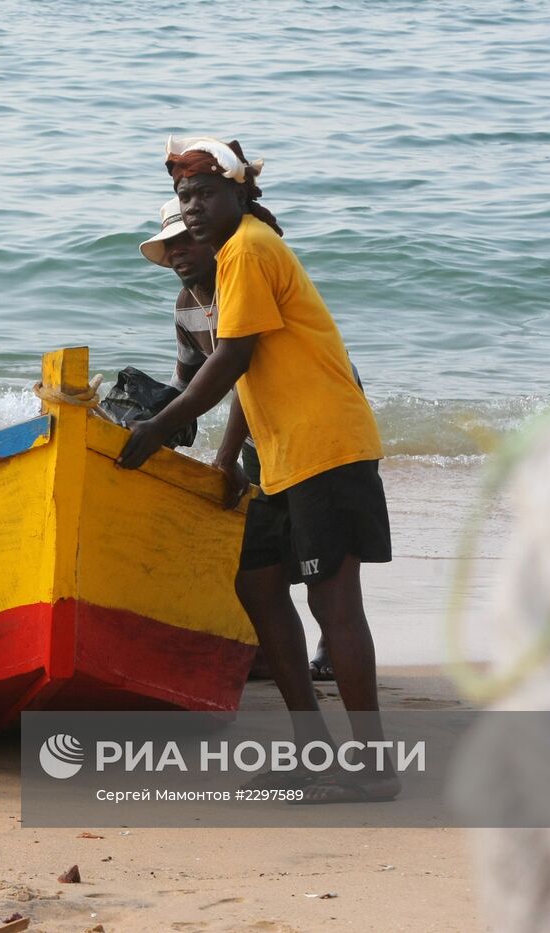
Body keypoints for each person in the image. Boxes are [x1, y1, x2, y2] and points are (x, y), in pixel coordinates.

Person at [119, 136, 396, 802]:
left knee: (333, 601)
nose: (192, 209)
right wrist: (218, 451)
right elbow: (233, 373)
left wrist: (158, 427)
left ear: (238, 193)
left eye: (204, 194)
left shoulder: (245, 246)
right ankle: (312, 751)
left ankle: (373, 766)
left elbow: (233, 358)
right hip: (282, 453)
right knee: (259, 584)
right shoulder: (231, 258)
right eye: (184, 198)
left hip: (324, 443)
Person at [140, 195, 356, 682]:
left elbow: (242, 373)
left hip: (313, 422)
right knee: (267, 559)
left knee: (320, 557)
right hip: (267, 426)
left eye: (185, 241)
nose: (176, 253)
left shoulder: (242, 280)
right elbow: (189, 380)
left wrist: (224, 456)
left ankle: (326, 644)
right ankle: (270, 647)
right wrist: (146, 417)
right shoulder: (188, 306)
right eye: (168, 246)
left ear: (211, 241)